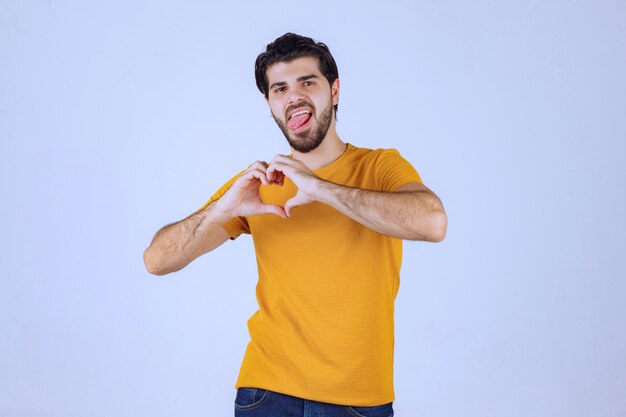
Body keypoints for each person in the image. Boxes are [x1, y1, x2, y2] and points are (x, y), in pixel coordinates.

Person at [144, 33, 447, 417]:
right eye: (280, 88)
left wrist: (319, 189)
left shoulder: (379, 167)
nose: (294, 96)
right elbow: (156, 260)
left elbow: (433, 222)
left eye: (308, 82)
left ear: (334, 91)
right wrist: (221, 209)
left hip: (359, 400)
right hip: (265, 396)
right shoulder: (259, 184)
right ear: (270, 104)